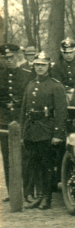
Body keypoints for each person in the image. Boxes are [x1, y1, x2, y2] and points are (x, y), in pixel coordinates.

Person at [19, 52, 67, 210]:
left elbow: (61, 112)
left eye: (43, 65)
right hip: (31, 131)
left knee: (47, 166)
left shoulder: (56, 86)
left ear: (49, 66)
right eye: (37, 65)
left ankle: (47, 197)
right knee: (34, 165)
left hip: (46, 129)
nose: (40, 67)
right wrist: (22, 133)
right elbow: (24, 110)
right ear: (33, 66)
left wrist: (57, 134)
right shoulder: (31, 84)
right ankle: (38, 196)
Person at [1, 44, 32, 197]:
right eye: (5, 58)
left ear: (17, 57)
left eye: (11, 57)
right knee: (7, 157)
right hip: (4, 121)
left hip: (22, 120)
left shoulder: (26, 75)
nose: (8, 61)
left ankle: (27, 192)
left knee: (25, 156)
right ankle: (12, 192)